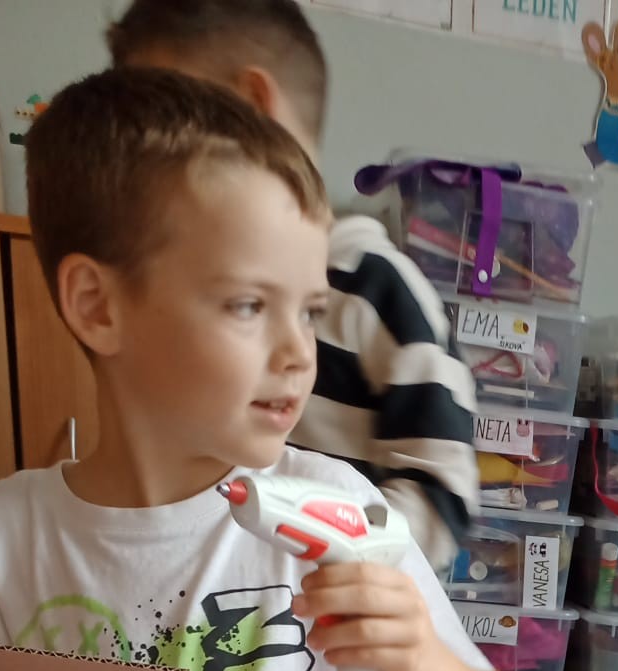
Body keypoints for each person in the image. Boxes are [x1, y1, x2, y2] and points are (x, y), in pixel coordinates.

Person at [0, 68, 522, 671]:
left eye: (310, 311)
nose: (299, 353)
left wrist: (427, 664)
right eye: (248, 305)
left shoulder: (339, 509)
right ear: (98, 307)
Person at [106, 0, 480, 572]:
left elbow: (441, 493)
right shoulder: (177, 293)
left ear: (254, 105)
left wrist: (319, 554)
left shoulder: (376, 285)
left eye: (162, 122)